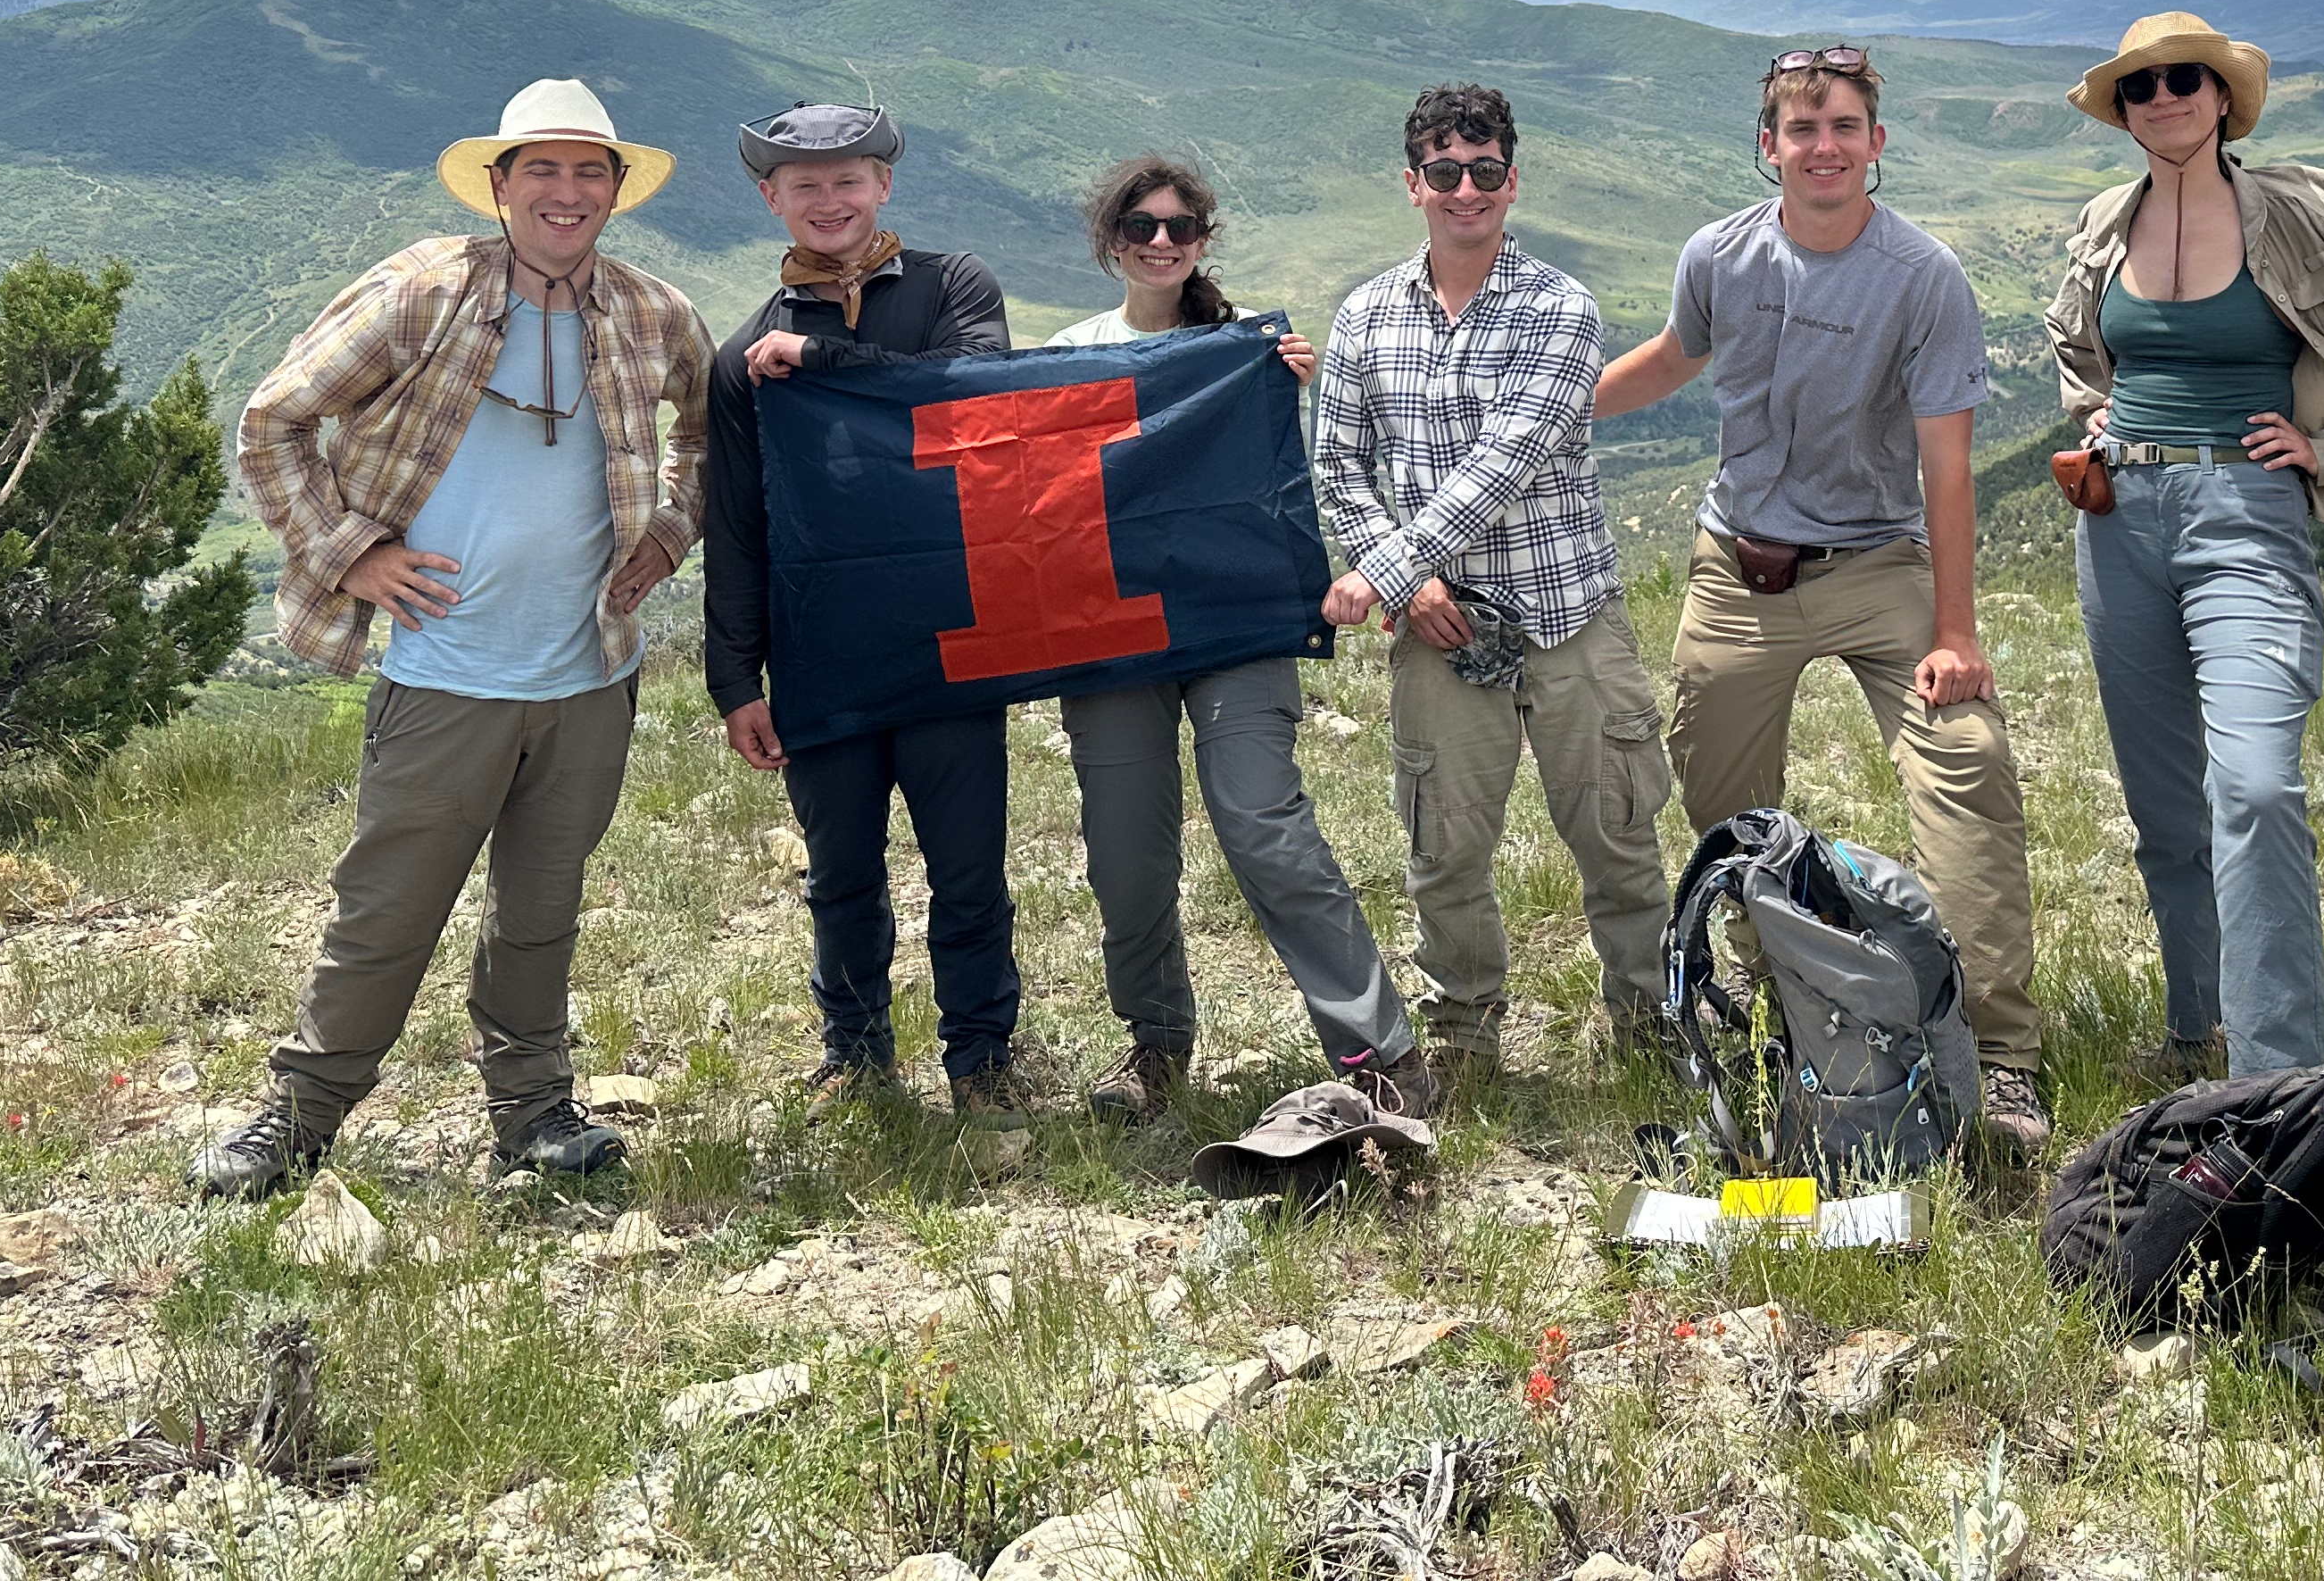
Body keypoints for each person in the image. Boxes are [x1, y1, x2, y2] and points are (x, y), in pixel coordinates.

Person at [198, 79, 709, 1200]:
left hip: (591, 674)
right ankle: (298, 1120)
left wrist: (670, 533)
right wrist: (349, 553)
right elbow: (272, 422)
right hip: (445, 675)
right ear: (500, 184)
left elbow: (710, 441)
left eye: (589, 172)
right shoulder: (421, 297)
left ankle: (532, 1115)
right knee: (386, 913)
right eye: (543, 170)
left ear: (616, 191)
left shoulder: (652, 312)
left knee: (541, 911)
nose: (566, 193)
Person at [1595, 45, 2051, 1152]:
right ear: (1769, 147)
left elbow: (1949, 465)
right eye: (1802, 130)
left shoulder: (1924, 277)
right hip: (1737, 568)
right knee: (1724, 809)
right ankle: (1784, 994)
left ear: (1876, 145)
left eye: (1844, 126)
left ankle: (2000, 1060)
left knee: (1968, 765)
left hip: (1883, 570)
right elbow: (1671, 357)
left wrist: (1956, 631)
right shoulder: (1719, 254)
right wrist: (1547, 418)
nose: (1824, 147)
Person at [2046, 12, 2324, 1083]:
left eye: (2187, 79)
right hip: (2118, 521)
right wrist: (2099, 416)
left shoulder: (2304, 216)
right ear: (2124, 112)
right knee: (2162, 803)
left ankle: (2278, 1080)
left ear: (2224, 97)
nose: (2166, 99)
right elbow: (2080, 347)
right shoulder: (2105, 221)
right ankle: (2200, 1028)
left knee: (2260, 786)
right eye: (2142, 88)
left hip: (2246, 514)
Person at [1033, 154, 1432, 1125]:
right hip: (1115, 634)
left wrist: (1282, 389)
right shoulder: (1064, 352)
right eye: (1141, 227)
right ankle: (1155, 1044)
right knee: (1126, 854)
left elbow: (1288, 477)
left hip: (1232, 621)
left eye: (1180, 228)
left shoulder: (1249, 345)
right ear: (1110, 241)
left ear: (1202, 241)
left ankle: (1379, 1049)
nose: (1162, 243)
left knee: (1264, 824)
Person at [1316, 84, 1672, 1091]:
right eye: (1444, 172)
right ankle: (1466, 1034)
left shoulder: (1562, 307)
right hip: (1437, 631)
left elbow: (1504, 465)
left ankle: (1648, 1023)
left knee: (1616, 833)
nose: (1464, 189)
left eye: (1483, 171)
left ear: (1511, 183)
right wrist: (1414, 584)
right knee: (1445, 847)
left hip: (1568, 618)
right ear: (1413, 184)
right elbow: (1340, 467)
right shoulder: (1365, 316)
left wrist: (1381, 572)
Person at [701, 104, 1027, 1111]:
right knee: (841, 876)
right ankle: (857, 1058)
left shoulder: (951, 285)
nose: (830, 200)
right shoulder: (745, 353)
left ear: (883, 184)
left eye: (848, 179)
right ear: (771, 200)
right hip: (819, 654)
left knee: (967, 870)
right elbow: (736, 526)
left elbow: (973, 393)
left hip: (952, 636)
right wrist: (733, 679)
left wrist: (828, 363)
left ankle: (982, 1060)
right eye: (805, 185)